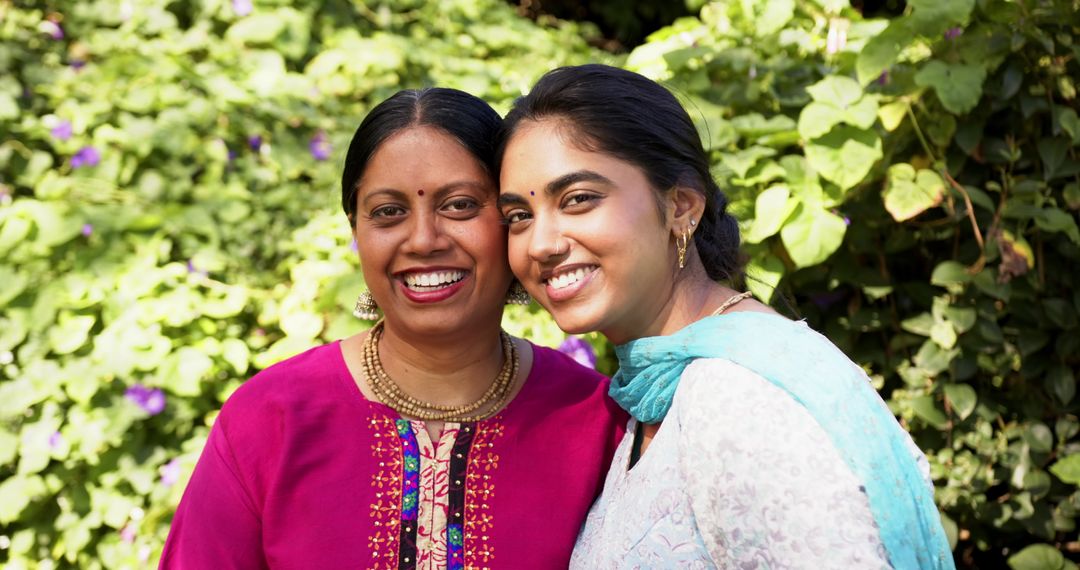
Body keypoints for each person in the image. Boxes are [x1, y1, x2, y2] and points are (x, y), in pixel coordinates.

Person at [496, 64, 954, 569]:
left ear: (682, 206)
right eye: (519, 216)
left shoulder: (742, 398)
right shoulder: (656, 390)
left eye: (579, 199)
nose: (540, 244)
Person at [160, 87, 626, 569]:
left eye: (460, 205)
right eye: (388, 212)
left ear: (511, 221)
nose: (423, 240)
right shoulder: (270, 420)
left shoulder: (597, 424)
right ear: (355, 231)